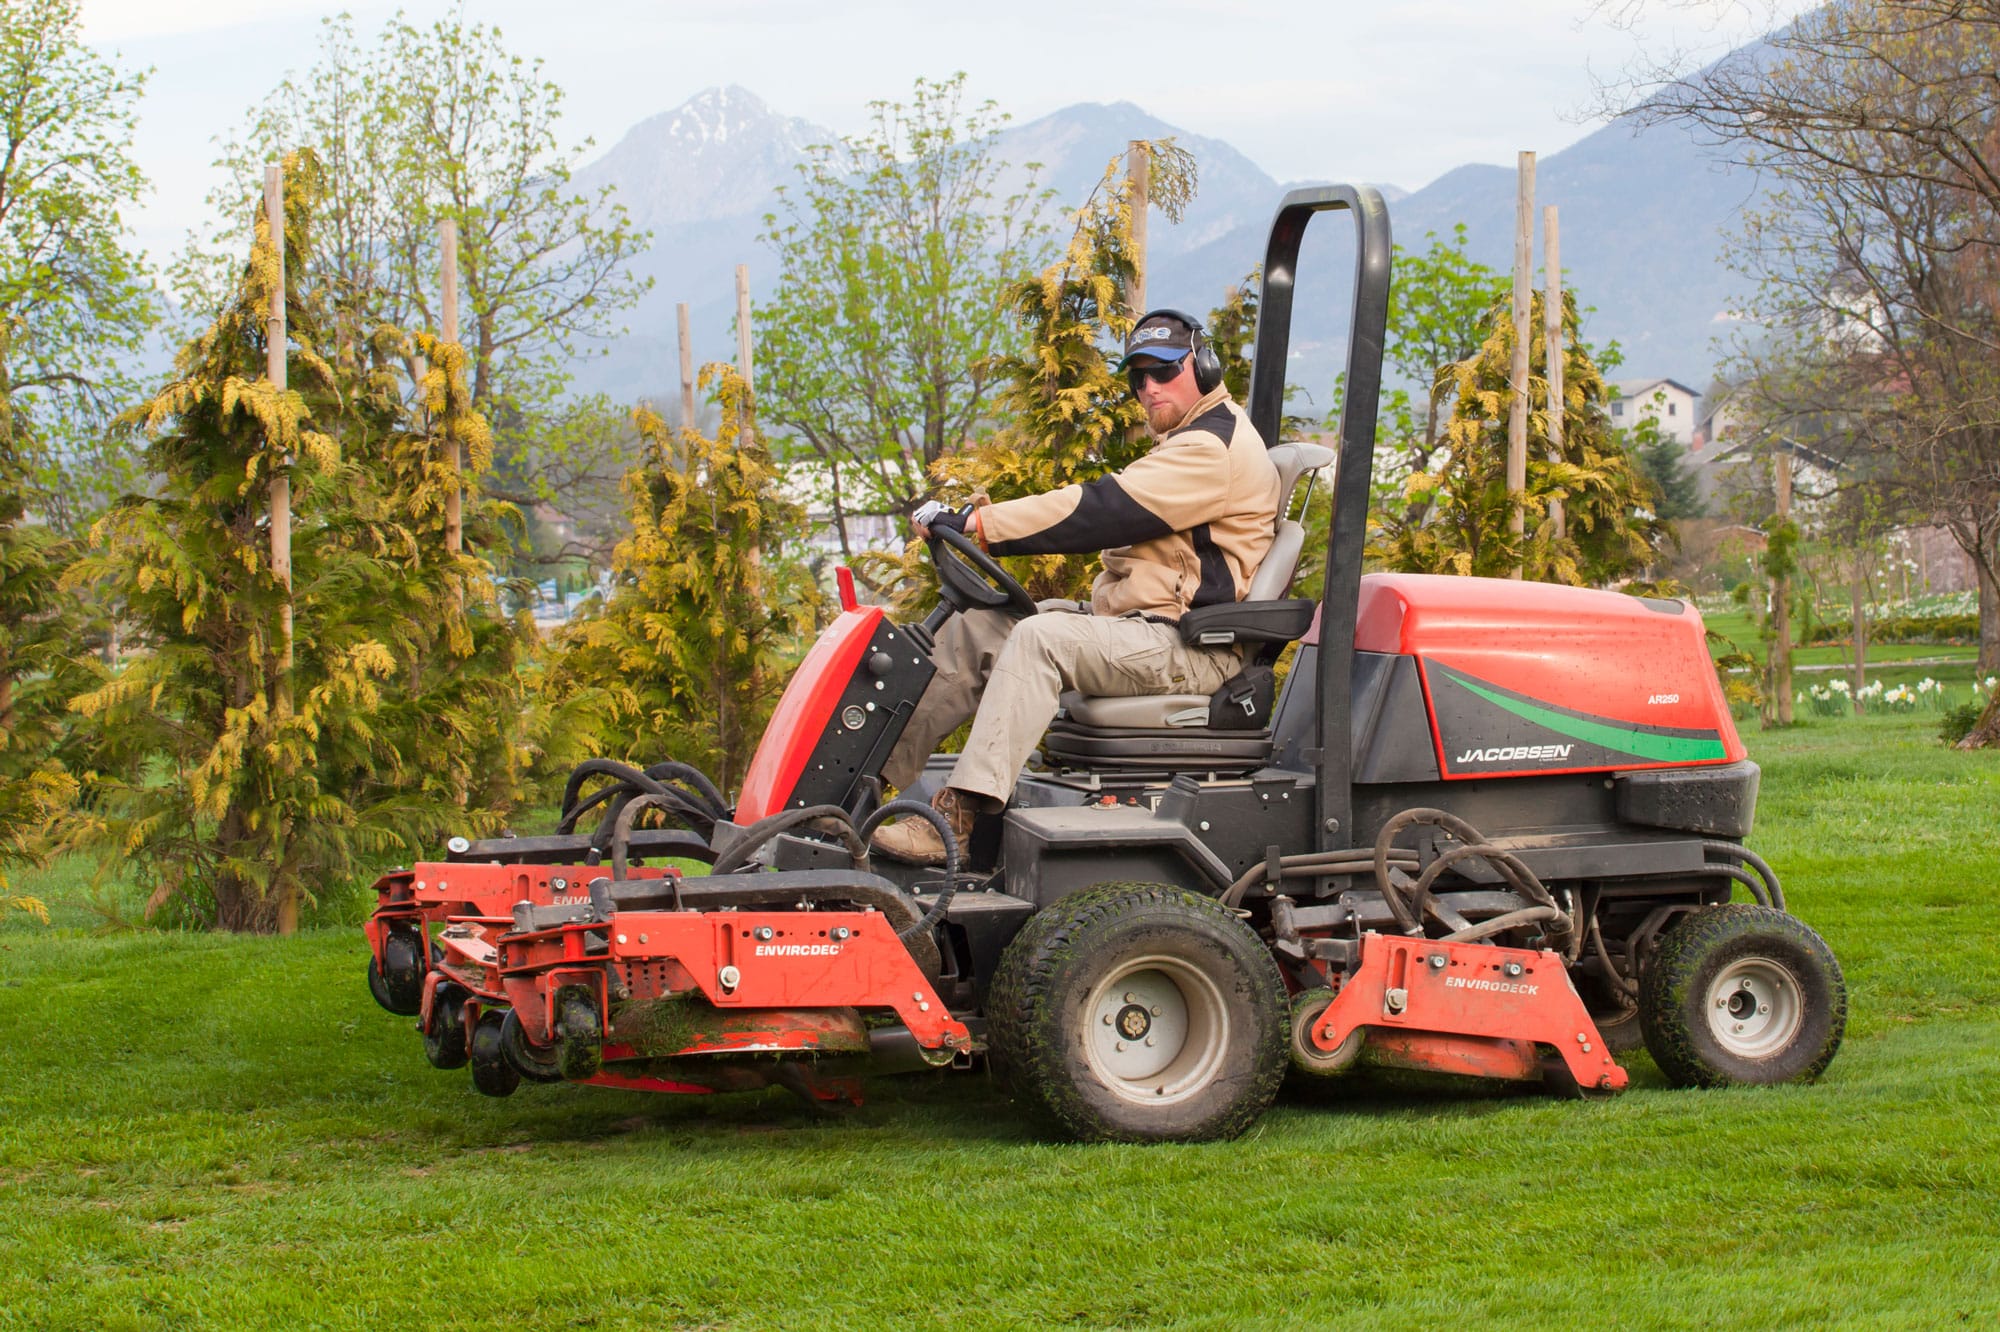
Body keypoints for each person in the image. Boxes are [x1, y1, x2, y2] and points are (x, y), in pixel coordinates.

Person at [870, 309, 1282, 864]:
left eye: (1164, 371)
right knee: (982, 627)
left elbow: (1100, 509)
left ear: (1204, 367)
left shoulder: (1211, 448)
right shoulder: (1186, 439)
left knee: (1040, 639)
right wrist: (980, 525)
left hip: (1192, 648)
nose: (1149, 388)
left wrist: (977, 523)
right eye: (1138, 377)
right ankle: (865, 783)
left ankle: (955, 823)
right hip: (1145, 632)